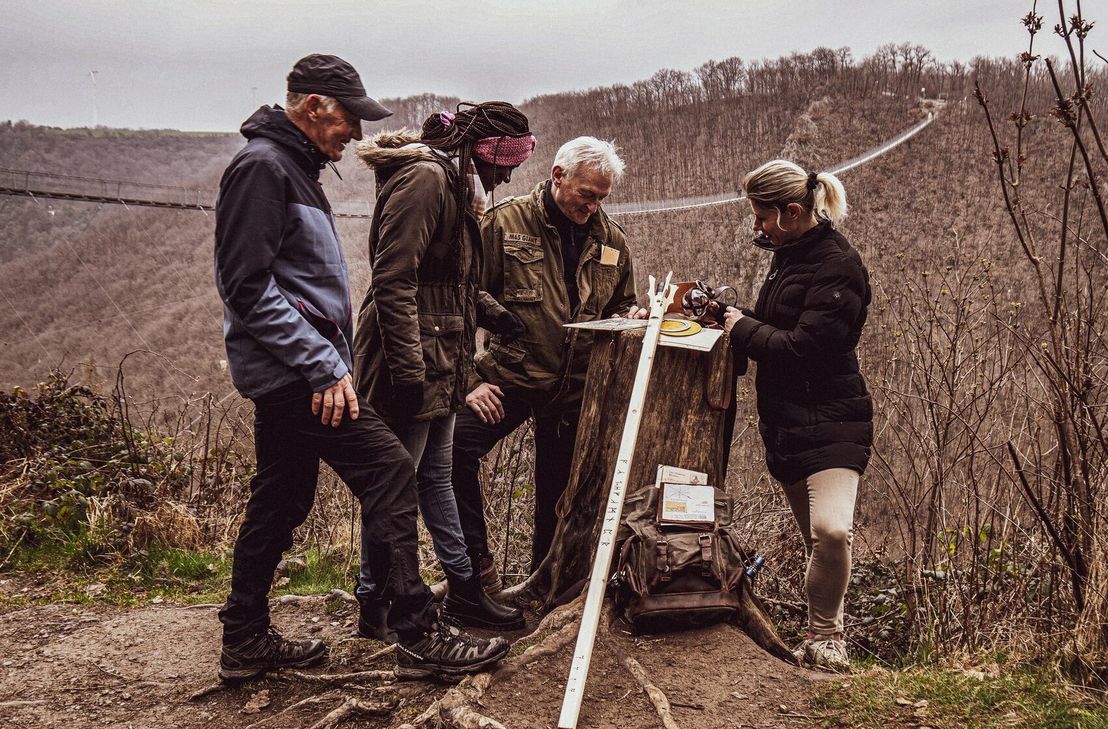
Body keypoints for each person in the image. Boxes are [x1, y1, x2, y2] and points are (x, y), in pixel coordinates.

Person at [213, 54, 509, 682]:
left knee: (282, 497)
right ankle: (416, 630)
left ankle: (244, 637)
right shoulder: (264, 169)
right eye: (349, 117)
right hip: (298, 373)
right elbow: (246, 286)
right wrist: (323, 366)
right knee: (392, 470)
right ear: (314, 105)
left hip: (299, 369)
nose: (355, 132)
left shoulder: (293, 165)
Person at [351, 102, 535, 637]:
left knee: (434, 478)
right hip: (409, 358)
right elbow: (394, 279)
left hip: (442, 357)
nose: (509, 174)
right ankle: (376, 600)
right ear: (481, 152)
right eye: (506, 162)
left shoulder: (454, 185)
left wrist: (494, 315)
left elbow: (447, 281)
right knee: (397, 482)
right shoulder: (428, 180)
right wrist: (409, 371)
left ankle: (465, 590)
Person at [449, 137, 643, 589]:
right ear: (558, 176)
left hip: (576, 390)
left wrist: (628, 317)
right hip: (509, 375)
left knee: (559, 493)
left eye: (601, 198)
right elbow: (460, 301)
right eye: (586, 194)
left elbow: (622, 303)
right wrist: (468, 380)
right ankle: (476, 572)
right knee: (453, 452)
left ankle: (544, 585)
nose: (593, 207)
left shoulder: (611, 240)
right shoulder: (504, 222)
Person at [723, 160, 872, 672]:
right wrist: (730, 315)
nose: (757, 227)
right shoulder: (789, 255)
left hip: (834, 419)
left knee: (832, 531)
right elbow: (777, 322)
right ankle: (816, 637)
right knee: (816, 538)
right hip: (785, 422)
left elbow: (803, 347)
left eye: (761, 217)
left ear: (790, 212)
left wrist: (738, 326)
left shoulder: (839, 264)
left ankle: (828, 639)